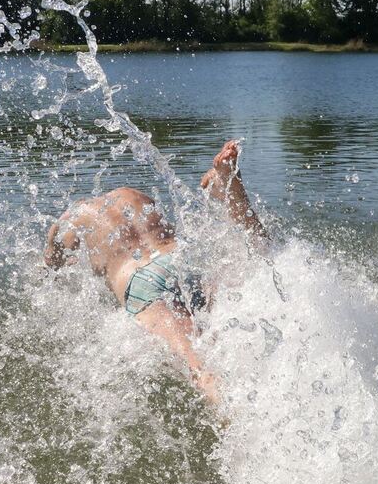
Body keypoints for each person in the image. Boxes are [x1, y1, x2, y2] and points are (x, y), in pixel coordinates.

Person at [43, 140, 266, 407]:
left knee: (199, 367)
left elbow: (51, 265)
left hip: (142, 282)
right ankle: (229, 191)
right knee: (259, 256)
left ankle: (244, 436)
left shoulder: (68, 222)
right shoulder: (130, 194)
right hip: (180, 262)